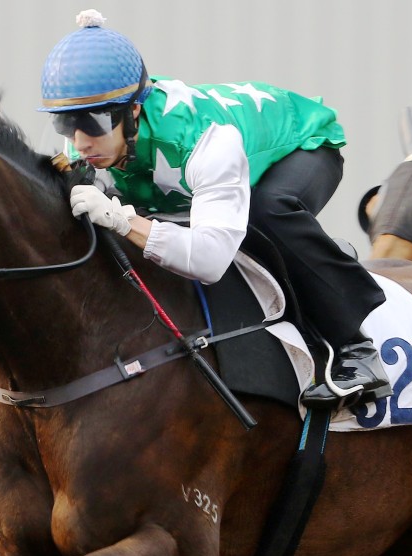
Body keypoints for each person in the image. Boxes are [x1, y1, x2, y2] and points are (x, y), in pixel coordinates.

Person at [39, 9, 390, 410]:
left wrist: (123, 219)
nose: (80, 141)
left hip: (303, 144)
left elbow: (209, 261)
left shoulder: (204, 141)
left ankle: (356, 350)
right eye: (66, 124)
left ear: (132, 111)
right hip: (209, 161)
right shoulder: (86, 147)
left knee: (264, 212)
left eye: (95, 122)